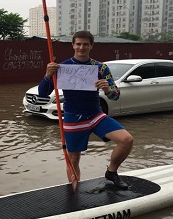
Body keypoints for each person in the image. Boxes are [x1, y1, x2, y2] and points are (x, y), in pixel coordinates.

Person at [38, 30, 133, 189]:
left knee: (126, 140)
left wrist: (108, 90)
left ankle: (112, 172)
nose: (81, 47)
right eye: (78, 44)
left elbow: (116, 95)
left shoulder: (101, 68)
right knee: (73, 158)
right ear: (73, 45)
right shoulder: (62, 67)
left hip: (95, 115)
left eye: (85, 44)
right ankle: (74, 190)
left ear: (91, 46)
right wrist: (47, 75)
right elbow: (42, 93)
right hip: (73, 117)